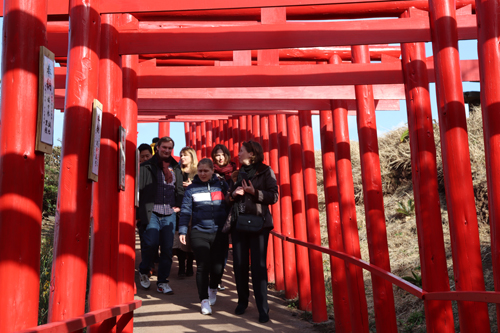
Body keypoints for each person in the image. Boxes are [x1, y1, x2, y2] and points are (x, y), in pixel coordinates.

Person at [227, 141, 278, 323]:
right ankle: (242, 302)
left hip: (259, 225)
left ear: (252, 154)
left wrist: (254, 192)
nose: (238, 154)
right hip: (239, 223)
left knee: (258, 267)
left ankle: (263, 308)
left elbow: (274, 196)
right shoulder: (237, 173)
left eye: (241, 151)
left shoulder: (265, 171)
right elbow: (227, 197)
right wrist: (233, 194)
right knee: (239, 265)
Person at [179, 158, 230, 315]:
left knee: (218, 266)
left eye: (206, 171)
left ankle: (213, 287)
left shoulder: (221, 185)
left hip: (220, 231)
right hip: (199, 231)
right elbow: (186, 210)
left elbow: (229, 205)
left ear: (212, 171)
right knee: (202, 265)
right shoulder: (192, 189)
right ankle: (204, 300)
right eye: (200, 171)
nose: (202, 174)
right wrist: (182, 230)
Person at [137, 136, 184, 295]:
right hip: (152, 211)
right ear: (157, 148)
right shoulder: (146, 166)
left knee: (167, 248)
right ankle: (144, 270)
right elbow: (139, 190)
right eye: (164, 147)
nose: (167, 150)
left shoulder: (175, 167)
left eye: (170, 148)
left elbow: (179, 189)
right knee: (150, 243)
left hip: (169, 211)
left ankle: (162, 281)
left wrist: (178, 205)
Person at [211, 144, 237, 291]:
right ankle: (214, 276)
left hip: (231, 212)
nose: (220, 158)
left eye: (222, 154)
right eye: (217, 155)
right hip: (216, 211)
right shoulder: (210, 172)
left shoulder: (234, 172)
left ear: (227, 155)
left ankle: (219, 276)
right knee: (215, 246)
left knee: (225, 248)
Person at [175, 147, 197, 278]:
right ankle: (181, 266)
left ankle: (190, 264)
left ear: (192, 157)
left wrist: (192, 186)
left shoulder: (198, 172)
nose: (182, 157)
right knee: (180, 238)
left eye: (185, 155)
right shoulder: (177, 171)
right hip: (180, 207)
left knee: (192, 238)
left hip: (194, 209)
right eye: (181, 155)